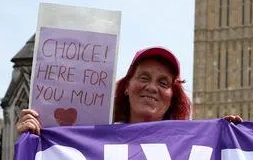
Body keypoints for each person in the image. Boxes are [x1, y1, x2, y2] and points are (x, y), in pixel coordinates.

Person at [16, 46, 240, 135]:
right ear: (127, 87)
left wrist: (229, 142)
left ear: (173, 98)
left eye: (163, 83)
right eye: (143, 78)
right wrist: (33, 141)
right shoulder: (95, 140)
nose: (151, 87)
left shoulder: (189, 147)